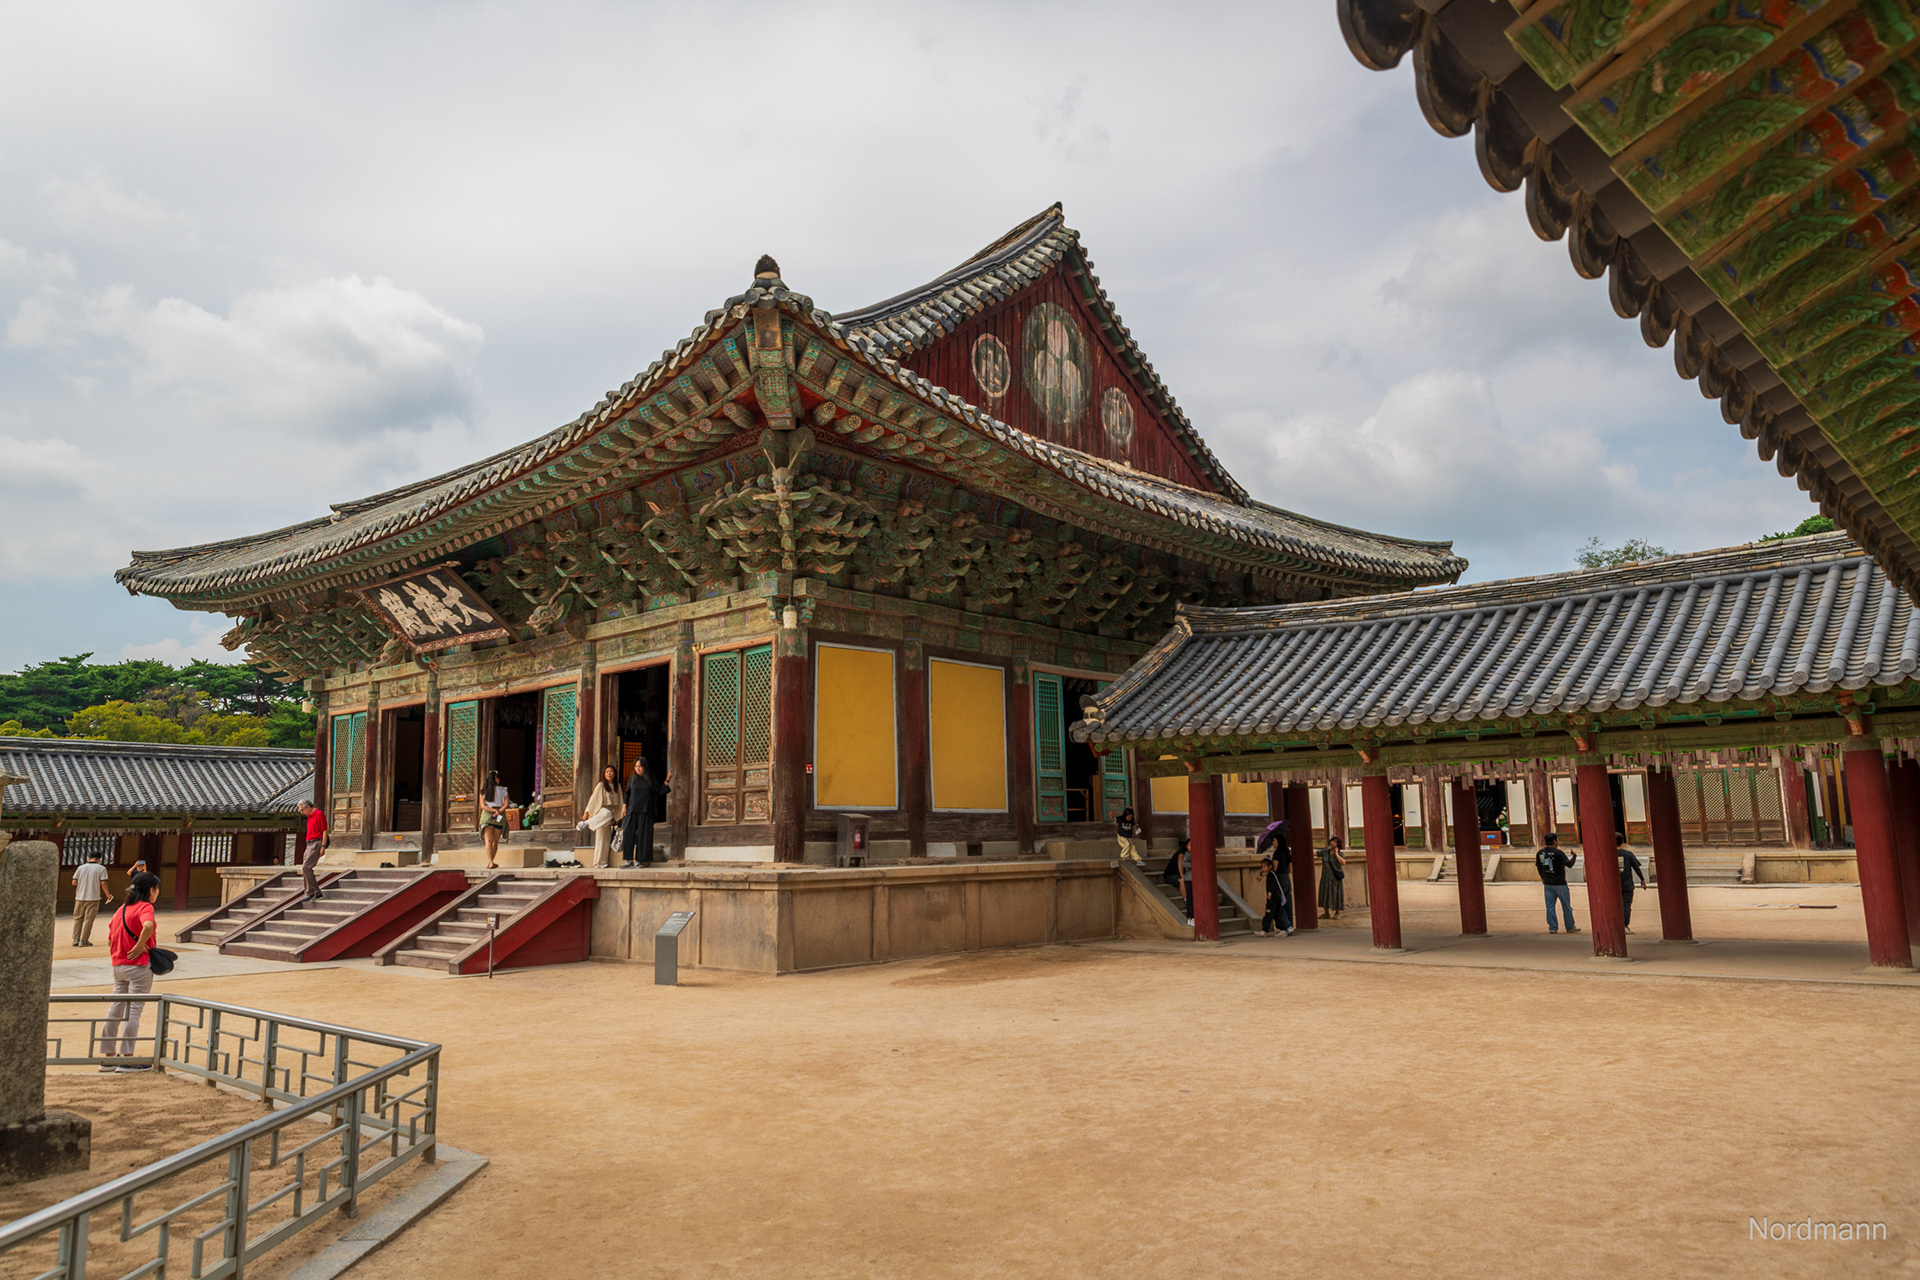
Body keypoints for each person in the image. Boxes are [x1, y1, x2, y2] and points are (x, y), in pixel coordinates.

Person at [101, 872, 160, 1071]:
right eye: (156, 889)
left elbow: (110, 939)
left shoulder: (121, 909)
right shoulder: (145, 907)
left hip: (118, 965)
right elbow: (148, 925)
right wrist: (140, 945)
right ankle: (127, 1058)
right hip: (138, 966)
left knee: (116, 1008)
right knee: (133, 1011)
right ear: (151, 890)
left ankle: (109, 1057)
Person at [621, 757, 671, 866]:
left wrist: (667, 781)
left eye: (640, 766)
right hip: (632, 810)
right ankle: (628, 860)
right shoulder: (632, 779)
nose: (638, 769)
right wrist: (624, 806)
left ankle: (640, 860)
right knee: (628, 834)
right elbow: (627, 794)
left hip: (645, 810)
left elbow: (658, 791)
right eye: (636, 767)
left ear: (645, 767)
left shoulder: (650, 778)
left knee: (643, 836)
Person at [1535, 831, 1580, 934]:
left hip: (1548, 883)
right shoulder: (1558, 853)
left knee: (1550, 906)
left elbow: (1538, 866)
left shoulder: (1540, 853)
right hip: (1560, 883)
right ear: (1555, 841)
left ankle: (1553, 927)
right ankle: (1570, 926)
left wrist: (1543, 877)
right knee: (1566, 906)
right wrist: (1574, 856)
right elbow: (1569, 864)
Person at [1256, 818, 1294, 933]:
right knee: (1288, 903)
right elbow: (1291, 870)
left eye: (1274, 841)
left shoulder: (1277, 854)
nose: (1273, 843)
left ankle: (1286, 926)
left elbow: (1275, 869)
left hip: (1279, 880)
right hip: (1287, 879)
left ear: (1279, 841)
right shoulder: (1287, 853)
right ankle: (1290, 924)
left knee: (1279, 904)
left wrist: (1266, 869)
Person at [580, 765, 620, 868]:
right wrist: (587, 813)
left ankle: (601, 862)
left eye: (611, 771)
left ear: (615, 773)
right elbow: (593, 800)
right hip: (602, 811)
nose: (609, 773)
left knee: (604, 839)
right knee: (607, 814)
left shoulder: (617, 786)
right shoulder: (601, 785)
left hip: (609, 814)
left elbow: (620, 802)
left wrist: (619, 815)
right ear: (604, 774)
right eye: (607, 772)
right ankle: (587, 822)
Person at [70, 850, 112, 947]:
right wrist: (107, 894)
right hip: (93, 897)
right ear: (99, 859)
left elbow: (74, 882)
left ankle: (76, 939)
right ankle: (84, 940)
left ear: (89, 858)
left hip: (80, 897)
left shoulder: (81, 868)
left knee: (78, 918)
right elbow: (103, 883)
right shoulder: (101, 868)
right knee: (88, 920)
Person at [298, 800, 330, 900]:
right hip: (309, 844)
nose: (301, 812)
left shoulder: (319, 814)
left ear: (308, 807)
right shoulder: (309, 816)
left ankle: (310, 892)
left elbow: (324, 831)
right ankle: (316, 892)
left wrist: (323, 846)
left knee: (306, 867)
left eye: (302, 810)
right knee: (305, 868)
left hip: (316, 843)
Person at [1617, 833, 1649, 934]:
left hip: (1613, 885)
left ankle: (1615, 925)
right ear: (1623, 842)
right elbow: (1636, 868)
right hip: (1627, 884)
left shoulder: (1608, 854)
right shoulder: (1628, 854)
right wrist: (1642, 879)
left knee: (1615, 905)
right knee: (1626, 905)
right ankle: (1625, 926)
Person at [480, 770, 509, 869]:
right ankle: (492, 861)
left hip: (487, 814)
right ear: (496, 779)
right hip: (499, 815)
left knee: (488, 840)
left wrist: (493, 811)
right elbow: (506, 804)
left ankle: (491, 862)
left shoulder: (483, 791)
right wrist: (498, 811)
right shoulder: (503, 790)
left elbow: (483, 806)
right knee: (495, 841)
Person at [1162, 835, 1193, 925]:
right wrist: (1182, 875)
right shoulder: (1182, 851)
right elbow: (1180, 861)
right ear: (1187, 845)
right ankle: (1187, 900)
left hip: (1188, 875)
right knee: (1182, 880)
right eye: (1190, 845)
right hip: (1171, 874)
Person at [1259, 854, 1290, 937]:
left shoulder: (1271, 875)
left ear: (1270, 866)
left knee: (1269, 913)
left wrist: (1270, 893)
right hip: (1276, 897)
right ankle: (1283, 929)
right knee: (1276, 914)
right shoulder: (1272, 874)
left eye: (1264, 867)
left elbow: (1272, 885)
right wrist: (1262, 875)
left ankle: (1264, 930)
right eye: (1262, 867)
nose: (1263, 868)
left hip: (1273, 897)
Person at [1319, 836, 1347, 921]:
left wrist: (1336, 853)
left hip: (1335, 878)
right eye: (1332, 841)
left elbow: (1343, 862)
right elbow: (1316, 853)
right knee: (1324, 894)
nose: (1332, 843)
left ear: (1337, 844)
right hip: (1325, 877)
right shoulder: (1325, 852)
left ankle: (1337, 912)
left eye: (1334, 842)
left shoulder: (1340, 853)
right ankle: (1326, 913)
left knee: (1336, 894)